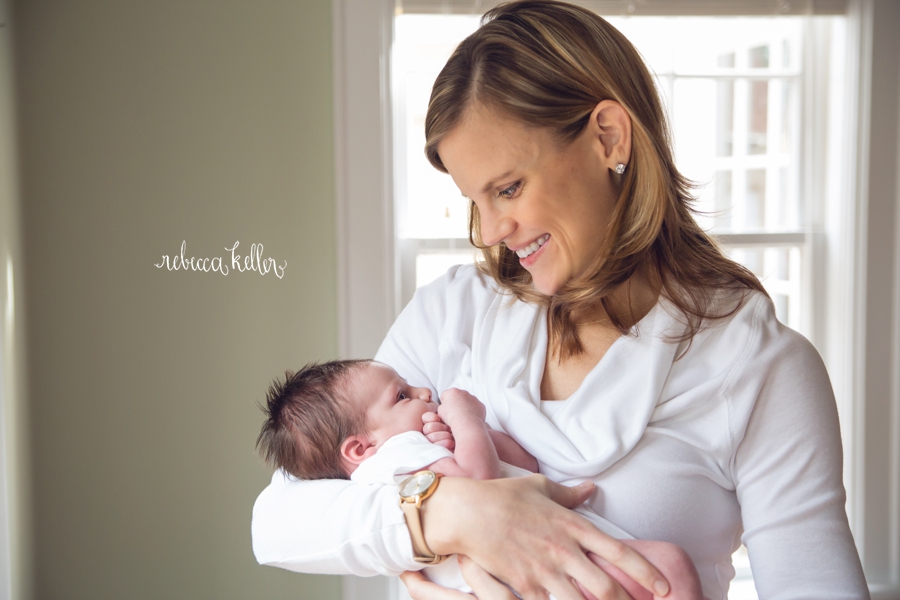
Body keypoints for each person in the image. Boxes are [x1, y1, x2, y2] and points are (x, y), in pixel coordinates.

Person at [251, 2, 869, 598]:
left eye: (510, 188)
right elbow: (279, 520)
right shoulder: (457, 312)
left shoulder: (759, 368)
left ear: (607, 137)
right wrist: (462, 516)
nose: (491, 231)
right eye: (477, 201)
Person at [255, 359, 703, 600]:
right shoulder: (394, 458)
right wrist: (467, 420)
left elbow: (522, 467)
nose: (424, 393)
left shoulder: (407, 453)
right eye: (402, 395)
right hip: (526, 574)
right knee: (672, 567)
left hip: (516, 578)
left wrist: (480, 435)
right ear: (359, 448)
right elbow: (481, 484)